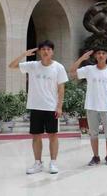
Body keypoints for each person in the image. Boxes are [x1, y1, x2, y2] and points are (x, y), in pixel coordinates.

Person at [9, 41, 68, 175]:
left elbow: (61, 88)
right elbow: (11, 65)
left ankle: (53, 162)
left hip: (51, 107)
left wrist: (59, 107)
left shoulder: (58, 67)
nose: (45, 51)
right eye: (43, 49)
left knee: (53, 135)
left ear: (52, 52)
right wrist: (24, 54)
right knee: (36, 136)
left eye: (48, 49)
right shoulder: (33, 65)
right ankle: (38, 163)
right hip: (35, 106)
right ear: (40, 52)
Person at [70, 48, 107, 166]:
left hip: (106, 106)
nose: (101, 55)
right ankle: (96, 157)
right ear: (95, 56)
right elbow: (72, 72)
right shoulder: (89, 69)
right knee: (93, 133)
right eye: (98, 53)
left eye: (103, 53)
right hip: (91, 105)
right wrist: (82, 59)